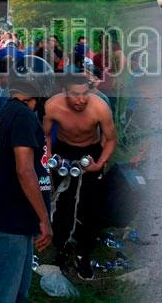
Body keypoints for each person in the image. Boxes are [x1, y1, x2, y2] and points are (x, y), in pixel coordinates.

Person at [0, 62, 54, 303]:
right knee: (2, 294)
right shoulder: (22, 116)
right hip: (11, 220)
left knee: (18, 292)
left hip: (16, 218)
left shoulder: (9, 112)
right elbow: (25, 170)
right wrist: (44, 219)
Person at [42, 74, 117, 280]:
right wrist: (48, 157)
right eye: (75, 94)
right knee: (63, 203)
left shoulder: (99, 107)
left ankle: (84, 253)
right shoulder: (53, 105)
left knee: (90, 207)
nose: (81, 100)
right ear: (65, 92)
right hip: (64, 151)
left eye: (85, 94)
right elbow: (45, 134)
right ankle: (61, 248)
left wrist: (99, 164)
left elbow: (111, 139)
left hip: (90, 153)